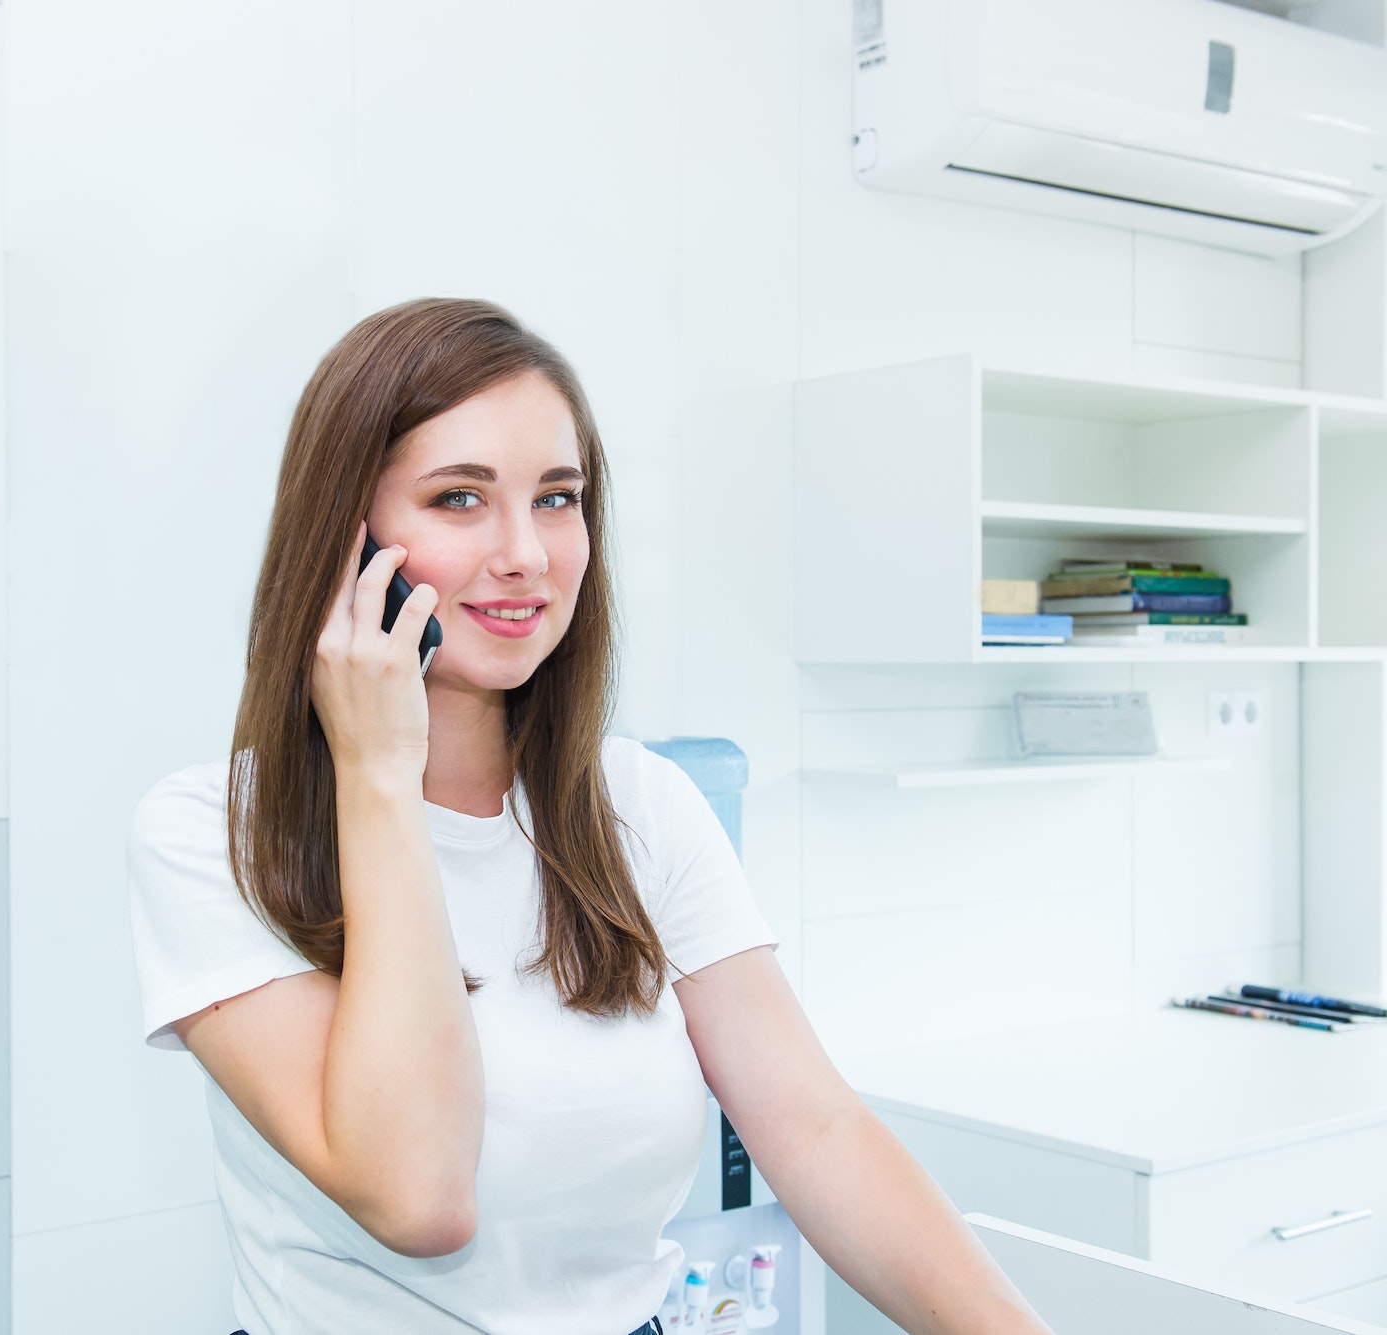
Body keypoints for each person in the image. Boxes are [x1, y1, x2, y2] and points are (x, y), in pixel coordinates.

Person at [127, 299, 1053, 1335]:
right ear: (348, 542)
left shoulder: (640, 805)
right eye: (458, 498)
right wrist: (379, 774)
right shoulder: (211, 831)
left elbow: (815, 1131)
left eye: (556, 499)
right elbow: (417, 1197)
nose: (526, 553)